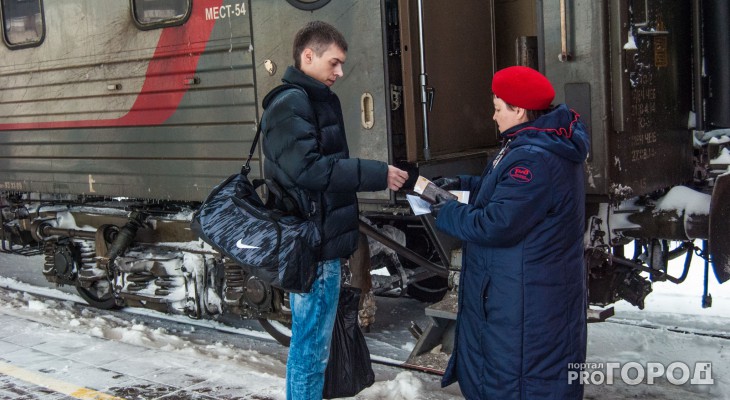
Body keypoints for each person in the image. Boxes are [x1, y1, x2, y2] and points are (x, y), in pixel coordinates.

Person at [259, 21, 409, 400]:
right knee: (311, 351)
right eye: (334, 63)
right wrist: (376, 173)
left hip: (322, 241)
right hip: (314, 246)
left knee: (312, 347)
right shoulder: (291, 103)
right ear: (308, 56)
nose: (340, 73)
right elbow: (308, 169)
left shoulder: (312, 100)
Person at [430, 66, 589, 399]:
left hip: (524, 303)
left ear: (519, 110)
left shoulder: (533, 159)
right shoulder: (533, 144)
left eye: (498, 107)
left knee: (519, 382)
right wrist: (461, 186)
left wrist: (447, 211)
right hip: (521, 292)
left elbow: (496, 223)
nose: (493, 115)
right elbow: (502, 190)